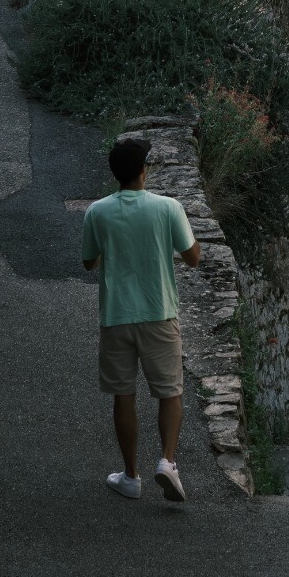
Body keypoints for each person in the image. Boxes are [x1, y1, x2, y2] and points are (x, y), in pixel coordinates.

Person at [82, 137, 201, 502]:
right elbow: (193, 257)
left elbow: (90, 262)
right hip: (159, 313)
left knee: (124, 395)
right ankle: (167, 461)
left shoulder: (97, 212)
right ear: (144, 170)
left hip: (117, 315)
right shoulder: (168, 207)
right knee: (170, 392)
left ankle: (131, 476)